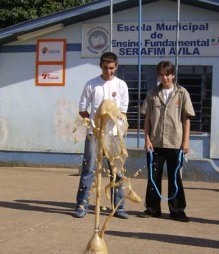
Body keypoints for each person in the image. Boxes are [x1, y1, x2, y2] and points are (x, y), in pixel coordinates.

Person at [73, 52, 129, 219]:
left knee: (116, 171)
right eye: (105, 68)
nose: (108, 71)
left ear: (116, 67)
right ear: (100, 66)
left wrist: (113, 123)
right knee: (88, 169)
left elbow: (123, 112)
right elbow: (83, 110)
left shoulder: (121, 86)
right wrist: (94, 124)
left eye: (112, 68)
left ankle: (118, 207)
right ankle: (82, 205)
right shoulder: (92, 85)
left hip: (114, 135)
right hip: (94, 134)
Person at [139, 61, 195, 222]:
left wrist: (186, 142)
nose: (164, 78)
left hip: (175, 142)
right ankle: (152, 209)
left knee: (175, 177)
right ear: (158, 75)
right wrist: (147, 140)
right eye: (161, 74)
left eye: (167, 74)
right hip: (155, 142)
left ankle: (177, 211)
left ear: (173, 75)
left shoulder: (182, 93)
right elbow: (148, 118)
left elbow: (186, 119)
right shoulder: (152, 94)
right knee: (153, 176)